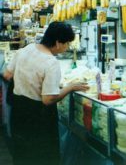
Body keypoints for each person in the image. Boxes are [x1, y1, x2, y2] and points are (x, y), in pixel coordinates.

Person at [2, 22, 89, 165]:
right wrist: (70, 87)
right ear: (57, 42)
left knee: (22, 154)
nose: (67, 47)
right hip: (38, 118)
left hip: (18, 112)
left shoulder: (26, 49)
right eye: (66, 43)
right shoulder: (51, 63)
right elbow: (48, 99)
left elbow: (7, 74)